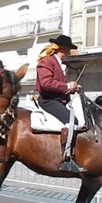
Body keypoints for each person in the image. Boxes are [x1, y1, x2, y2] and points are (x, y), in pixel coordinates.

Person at [35, 35, 85, 173]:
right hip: (48, 101)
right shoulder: (47, 62)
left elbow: (59, 86)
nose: (69, 53)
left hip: (58, 99)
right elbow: (46, 83)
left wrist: (72, 88)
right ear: (63, 49)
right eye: (69, 49)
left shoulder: (57, 63)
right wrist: (67, 85)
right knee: (72, 121)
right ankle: (66, 159)